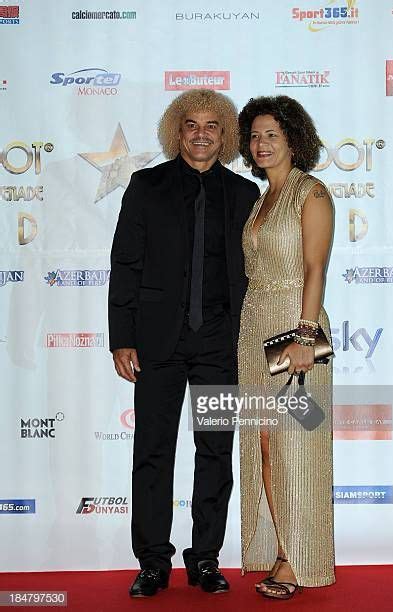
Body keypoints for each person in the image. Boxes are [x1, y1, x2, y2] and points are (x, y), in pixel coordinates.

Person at [108, 89, 260, 597]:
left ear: (225, 134)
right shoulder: (145, 186)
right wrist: (122, 338)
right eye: (190, 124)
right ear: (177, 131)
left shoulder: (244, 195)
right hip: (157, 346)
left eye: (211, 125)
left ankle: (205, 558)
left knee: (215, 453)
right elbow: (126, 265)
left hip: (221, 343)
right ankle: (153, 561)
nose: (200, 133)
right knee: (152, 452)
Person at [237, 96, 335, 600]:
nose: (262, 143)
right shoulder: (262, 198)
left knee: (298, 445)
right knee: (266, 448)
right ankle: (282, 550)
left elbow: (315, 267)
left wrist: (304, 335)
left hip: (296, 331)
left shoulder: (310, 193)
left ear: (294, 139)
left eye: (272, 134)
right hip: (256, 329)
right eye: (255, 135)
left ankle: (301, 559)